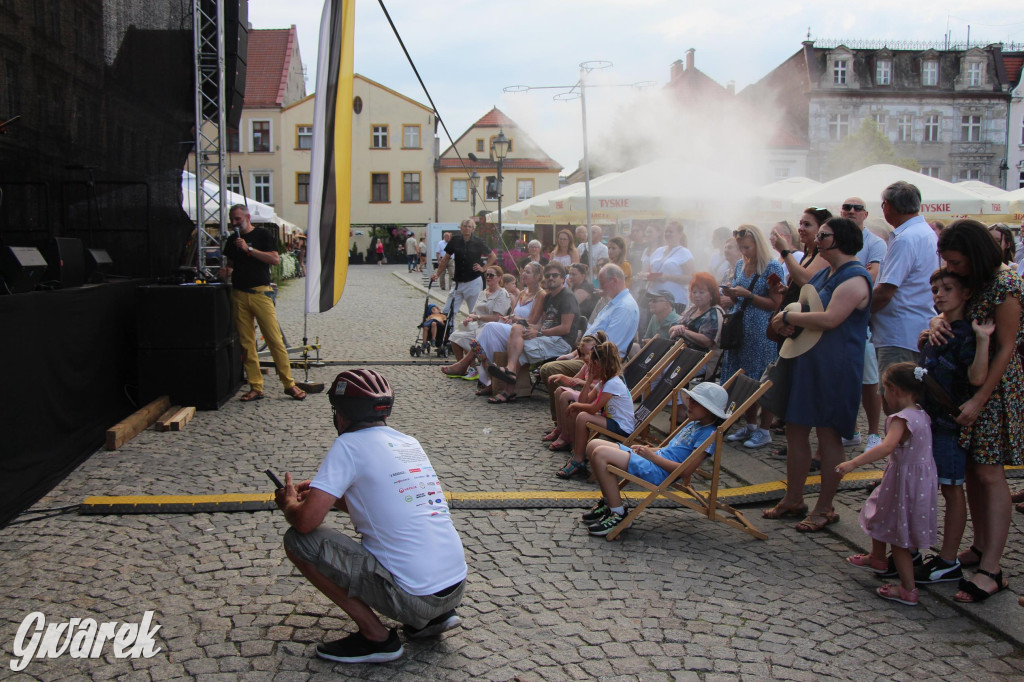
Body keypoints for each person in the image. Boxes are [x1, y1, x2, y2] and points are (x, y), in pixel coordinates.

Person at [274, 370, 467, 663]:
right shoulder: (408, 442)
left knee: (298, 541)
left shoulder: (349, 446)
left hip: (416, 595)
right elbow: (384, 506)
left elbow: (305, 522)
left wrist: (289, 504)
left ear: (340, 414)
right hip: (453, 589)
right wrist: (323, 497)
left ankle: (376, 637)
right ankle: (431, 620)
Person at [931, 219, 1023, 603]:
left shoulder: (1006, 285)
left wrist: (980, 399)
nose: (950, 269)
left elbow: (1007, 348)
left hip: (996, 392)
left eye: (955, 262)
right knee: (972, 471)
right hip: (969, 387)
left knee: (989, 474)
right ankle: (982, 548)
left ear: (974, 255)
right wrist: (937, 322)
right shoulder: (981, 281)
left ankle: (992, 569)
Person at [765, 218, 871, 530]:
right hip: (807, 359)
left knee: (828, 435)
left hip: (834, 366)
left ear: (840, 241)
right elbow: (806, 303)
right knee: (796, 430)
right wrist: (785, 319)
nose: (816, 238)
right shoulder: (827, 272)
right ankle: (793, 499)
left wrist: (788, 315)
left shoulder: (855, 277)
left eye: (823, 234)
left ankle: (825, 508)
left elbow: (831, 318)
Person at [914, 268, 993, 586]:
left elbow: (976, 378)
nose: (939, 295)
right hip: (927, 422)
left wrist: (983, 340)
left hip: (948, 426)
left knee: (950, 488)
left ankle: (948, 559)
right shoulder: (940, 327)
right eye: (935, 290)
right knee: (924, 486)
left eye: (947, 288)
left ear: (966, 293)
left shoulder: (967, 333)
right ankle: (918, 551)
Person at [837, 362, 936, 607]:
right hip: (919, 483)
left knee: (900, 539)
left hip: (903, 483)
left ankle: (907, 589)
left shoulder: (901, 419)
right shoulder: (922, 413)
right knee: (878, 509)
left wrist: (853, 463)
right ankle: (878, 557)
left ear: (894, 390)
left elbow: (887, 446)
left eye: (884, 390)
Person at [581, 381, 729, 536]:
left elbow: (686, 471)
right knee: (594, 445)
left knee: (600, 454)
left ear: (710, 410)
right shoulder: (695, 423)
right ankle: (608, 502)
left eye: (696, 403)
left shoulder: (709, 434)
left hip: (660, 471)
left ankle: (618, 514)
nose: (689, 405)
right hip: (655, 460)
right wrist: (648, 450)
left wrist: (651, 456)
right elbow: (670, 449)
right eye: (690, 400)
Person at [220, 204, 306, 403]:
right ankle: (255, 386)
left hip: (261, 292)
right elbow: (231, 266)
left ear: (247, 217)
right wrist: (226, 272)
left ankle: (289, 384)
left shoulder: (262, 235)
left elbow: (274, 259)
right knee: (247, 343)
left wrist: (249, 249)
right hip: (239, 294)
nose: (234, 223)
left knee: (274, 340)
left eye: (237, 219)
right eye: (232, 220)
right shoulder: (232, 241)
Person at [871, 181, 938, 424]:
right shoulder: (926, 233)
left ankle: (902, 454)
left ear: (887, 206)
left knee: (896, 401)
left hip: (897, 330)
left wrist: (858, 312)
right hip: (913, 325)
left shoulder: (905, 238)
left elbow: (886, 290)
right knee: (909, 400)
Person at [721, 225, 785, 448]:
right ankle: (750, 426)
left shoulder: (772, 267)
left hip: (761, 331)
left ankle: (764, 429)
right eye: (740, 247)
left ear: (758, 244)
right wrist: (732, 293)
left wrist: (748, 295)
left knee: (763, 379)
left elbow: (777, 304)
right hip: (741, 330)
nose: (743, 252)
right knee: (744, 377)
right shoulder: (740, 264)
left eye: (747, 247)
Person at [483, 261, 579, 404]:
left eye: (555, 275)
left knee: (517, 348)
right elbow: (543, 323)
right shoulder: (549, 297)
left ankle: (508, 388)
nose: (551, 278)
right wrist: (534, 329)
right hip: (547, 337)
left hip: (561, 342)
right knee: (517, 330)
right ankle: (509, 372)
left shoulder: (567, 297)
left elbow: (565, 328)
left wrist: (539, 333)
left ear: (562, 278)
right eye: (548, 275)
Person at [439, 262, 543, 392]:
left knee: (488, 329)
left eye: (528, 272)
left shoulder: (540, 294)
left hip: (523, 332)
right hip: (512, 327)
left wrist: (514, 319)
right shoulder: (523, 293)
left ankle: (465, 365)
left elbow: (531, 322)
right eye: (524, 271)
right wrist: (509, 318)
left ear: (538, 276)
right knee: (487, 340)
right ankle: (490, 381)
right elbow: (513, 314)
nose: (523, 274)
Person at [534, 263, 640, 389]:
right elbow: (593, 336)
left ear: (614, 281)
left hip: (602, 363)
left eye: (602, 283)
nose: (600, 287)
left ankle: (573, 404)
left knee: (549, 369)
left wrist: (579, 357)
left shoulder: (624, 307)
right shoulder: (614, 303)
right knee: (552, 366)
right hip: (590, 357)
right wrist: (573, 354)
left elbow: (607, 347)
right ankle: (571, 403)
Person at [842, 196, 888, 451]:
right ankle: (849, 429)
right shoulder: (839, 238)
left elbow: (870, 278)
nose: (851, 211)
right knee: (844, 378)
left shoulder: (875, 242)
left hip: (863, 320)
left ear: (865, 214)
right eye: (847, 207)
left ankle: (873, 432)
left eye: (857, 208)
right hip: (841, 318)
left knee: (869, 380)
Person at [553, 340, 633, 479]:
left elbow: (593, 408)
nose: (588, 368)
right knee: (579, 412)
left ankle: (578, 460)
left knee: (583, 416)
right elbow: (585, 400)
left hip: (622, 426)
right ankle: (578, 452)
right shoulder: (604, 382)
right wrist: (589, 380)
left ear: (596, 365)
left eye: (590, 365)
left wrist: (574, 405)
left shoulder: (612, 383)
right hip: (611, 420)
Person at [446, 265, 511, 379]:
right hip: (477, 326)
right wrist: (470, 318)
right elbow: (475, 312)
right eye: (487, 275)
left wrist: (478, 317)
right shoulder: (483, 293)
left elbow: (497, 317)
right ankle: (468, 368)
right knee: (455, 336)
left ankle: (468, 367)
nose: (488, 277)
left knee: (473, 340)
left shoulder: (502, 294)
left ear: (499, 278)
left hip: (491, 328)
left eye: (491, 275)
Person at [543, 332, 606, 442]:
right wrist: (562, 377)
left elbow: (602, 389)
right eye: (582, 354)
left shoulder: (601, 367)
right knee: (559, 390)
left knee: (566, 395)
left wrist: (582, 383)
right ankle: (561, 428)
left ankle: (566, 435)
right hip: (586, 396)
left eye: (588, 354)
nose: (585, 358)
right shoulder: (586, 366)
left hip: (595, 399)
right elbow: (573, 381)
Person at [432, 218, 497, 318]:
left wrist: (484, 268)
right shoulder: (455, 240)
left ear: (473, 229)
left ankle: (474, 333)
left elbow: (492, 256)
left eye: (469, 227)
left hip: (473, 280)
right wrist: (437, 274)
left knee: (474, 312)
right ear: (461, 228)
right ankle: (448, 332)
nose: (467, 228)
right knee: (448, 311)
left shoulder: (478, 241)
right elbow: (445, 259)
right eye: (465, 226)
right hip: (458, 281)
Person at [669, 272, 725, 353]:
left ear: (712, 294)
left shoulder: (715, 312)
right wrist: (676, 328)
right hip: (681, 354)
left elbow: (707, 341)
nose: (696, 295)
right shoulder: (693, 309)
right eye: (694, 292)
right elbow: (672, 328)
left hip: (701, 360)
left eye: (701, 292)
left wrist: (683, 331)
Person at [644, 221, 694, 309]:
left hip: (675, 300)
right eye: (666, 231)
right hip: (655, 299)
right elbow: (649, 271)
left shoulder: (684, 253)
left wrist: (668, 277)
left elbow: (691, 278)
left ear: (680, 234)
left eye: (671, 231)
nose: (667, 234)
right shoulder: (658, 251)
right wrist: (645, 276)